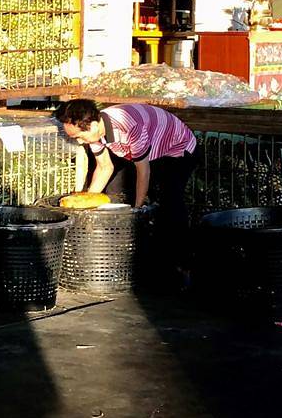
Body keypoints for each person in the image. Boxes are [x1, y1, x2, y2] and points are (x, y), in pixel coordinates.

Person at [54, 99, 199, 283]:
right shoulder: (96, 131)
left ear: (92, 124)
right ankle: (126, 255)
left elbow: (143, 171)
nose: (80, 142)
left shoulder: (129, 126)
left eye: (78, 137)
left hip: (179, 150)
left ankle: (182, 264)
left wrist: (137, 210)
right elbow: (105, 168)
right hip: (150, 152)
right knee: (115, 192)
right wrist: (87, 202)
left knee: (170, 201)